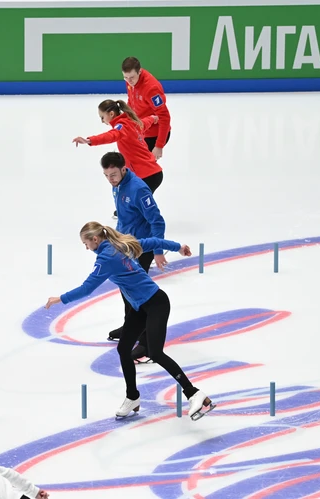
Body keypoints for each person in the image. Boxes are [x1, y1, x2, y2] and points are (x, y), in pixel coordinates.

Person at [45, 222, 216, 422]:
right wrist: (178, 246)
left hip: (155, 304)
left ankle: (193, 393)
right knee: (124, 349)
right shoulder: (121, 244)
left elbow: (87, 289)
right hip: (139, 308)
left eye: (86, 243)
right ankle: (132, 396)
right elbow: (153, 242)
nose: (86, 247)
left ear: (95, 239)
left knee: (155, 353)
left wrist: (60, 298)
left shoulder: (107, 257)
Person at [100, 151, 167, 362]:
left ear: (123, 168)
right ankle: (132, 326)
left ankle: (147, 343)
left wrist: (157, 251)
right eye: (106, 175)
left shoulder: (138, 189)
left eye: (113, 175)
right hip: (125, 245)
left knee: (139, 294)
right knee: (126, 289)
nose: (110, 179)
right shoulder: (118, 185)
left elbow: (157, 221)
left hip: (141, 247)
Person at [72, 99, 163, 220]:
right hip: (150, 172)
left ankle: (149, 226)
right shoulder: (132, 122)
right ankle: (128, 213)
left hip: (148, 174)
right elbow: (145, 122)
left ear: (111, 114)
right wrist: (153, 118)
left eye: (102, 117)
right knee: (131, 197)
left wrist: (89, 140)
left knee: (136, 203)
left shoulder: (122, 126)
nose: (102, 121)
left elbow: (110, 136)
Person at [122, 56, 172, 161]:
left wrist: (159, 146)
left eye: (131, 77)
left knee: (142, 167)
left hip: (154, 134)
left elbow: (165, 117)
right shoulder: (130, 79)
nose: (128, 81)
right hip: (141, 129)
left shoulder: (151, 89)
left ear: (139, 71)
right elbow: (131, 101)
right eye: (125, 77)